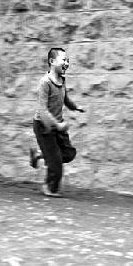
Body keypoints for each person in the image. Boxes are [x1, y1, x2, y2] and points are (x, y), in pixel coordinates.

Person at [31, 47, 84, 197]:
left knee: (68, 153)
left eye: (68, 60)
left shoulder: (62, 79)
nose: (67, 63)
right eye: (63, 60)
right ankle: (49, 188)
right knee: (55, 164)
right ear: (52, 61)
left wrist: (75, 107)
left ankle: (40, 154)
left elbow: (65, 99)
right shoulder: (45, 83)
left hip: (58, 126)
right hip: (44, 126)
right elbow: (42, 110)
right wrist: (58, 124)